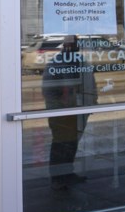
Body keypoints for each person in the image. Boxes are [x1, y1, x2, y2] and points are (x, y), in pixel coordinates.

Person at [41, 36, 97, 190]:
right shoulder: (56, 62)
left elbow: (90, 83)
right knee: (60, 143)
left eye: (74, 45)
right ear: (63, 46)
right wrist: (57, 106)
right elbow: (48, 89)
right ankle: (57, 177)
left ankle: (67, 173)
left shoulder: (81, 61)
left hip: (79, 110)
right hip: (61, 111)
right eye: (69, 45)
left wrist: (91, 103)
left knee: (72, 143)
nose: (71, 47)